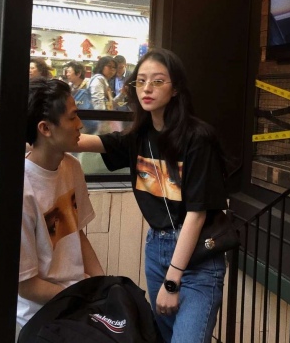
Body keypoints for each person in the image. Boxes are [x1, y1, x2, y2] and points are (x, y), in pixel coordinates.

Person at [75, 48, 228, 343]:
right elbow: (85, 141)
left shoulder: (198, 138)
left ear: (176, 89)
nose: (147, 88)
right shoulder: (139, 136)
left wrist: (173, 280)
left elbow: (197, 214)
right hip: (157, 250)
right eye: (141, 81)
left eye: (157, 81)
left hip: (197, 258)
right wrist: (40, 137)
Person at [17, 78, 104, 329]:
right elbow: (26, 285)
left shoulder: (71, 167)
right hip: (41, 316)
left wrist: (104, 284)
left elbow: (76, 233)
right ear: (45, 128)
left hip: (77, 299)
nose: (80, 124)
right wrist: (83, 298)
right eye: (73, 117)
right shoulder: (22, 191)